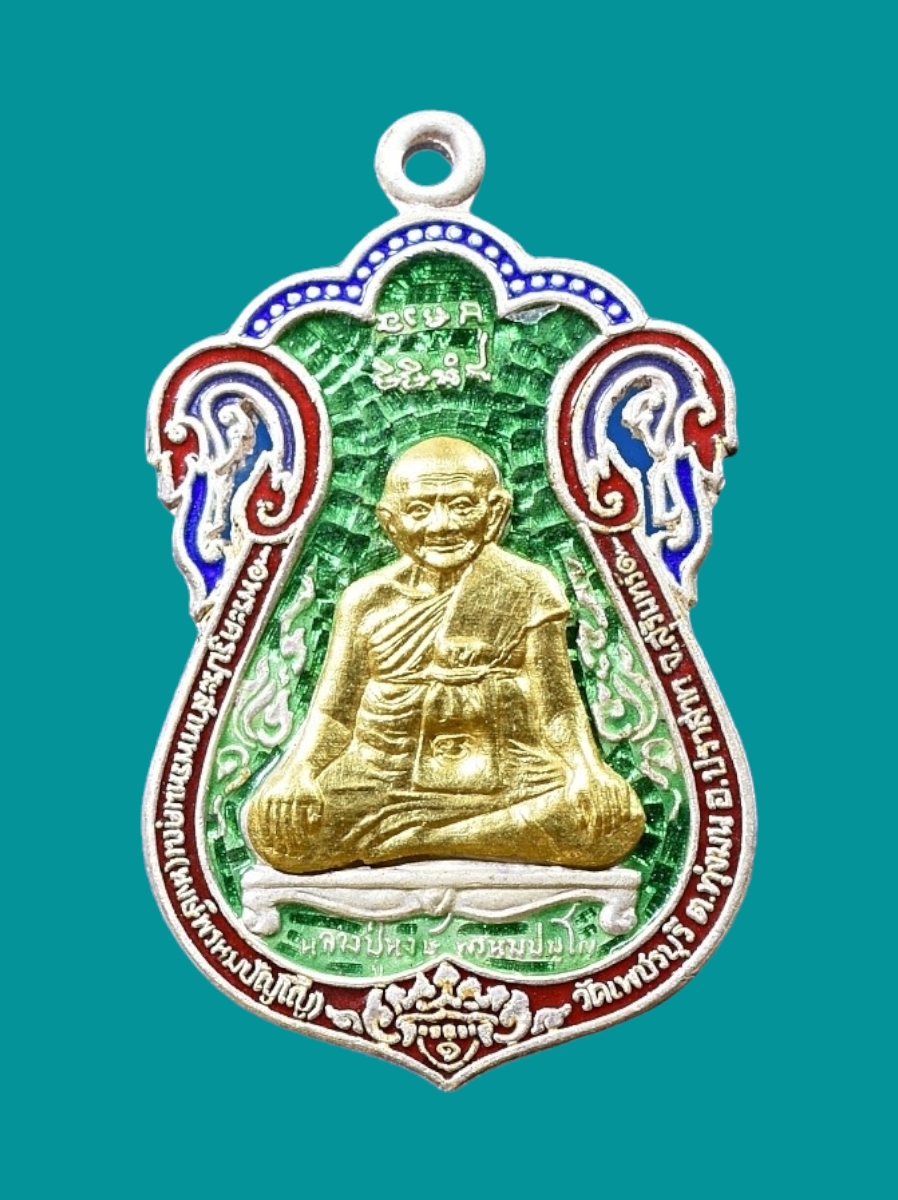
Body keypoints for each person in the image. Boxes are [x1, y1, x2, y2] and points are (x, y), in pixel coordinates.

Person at [246, 437, 645, 873]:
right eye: (419, 510)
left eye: (461, 506)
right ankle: (474, 836)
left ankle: (416, 840)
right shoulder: (366, 601)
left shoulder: (529, 586)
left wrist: (588, 769)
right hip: (385, 776)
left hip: (511, 776)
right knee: (275, 832)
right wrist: (298, 772)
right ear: (390, 521)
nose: (441, 526)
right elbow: (334, 714)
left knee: (614, 823)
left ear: (495, 513)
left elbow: (559, 706)